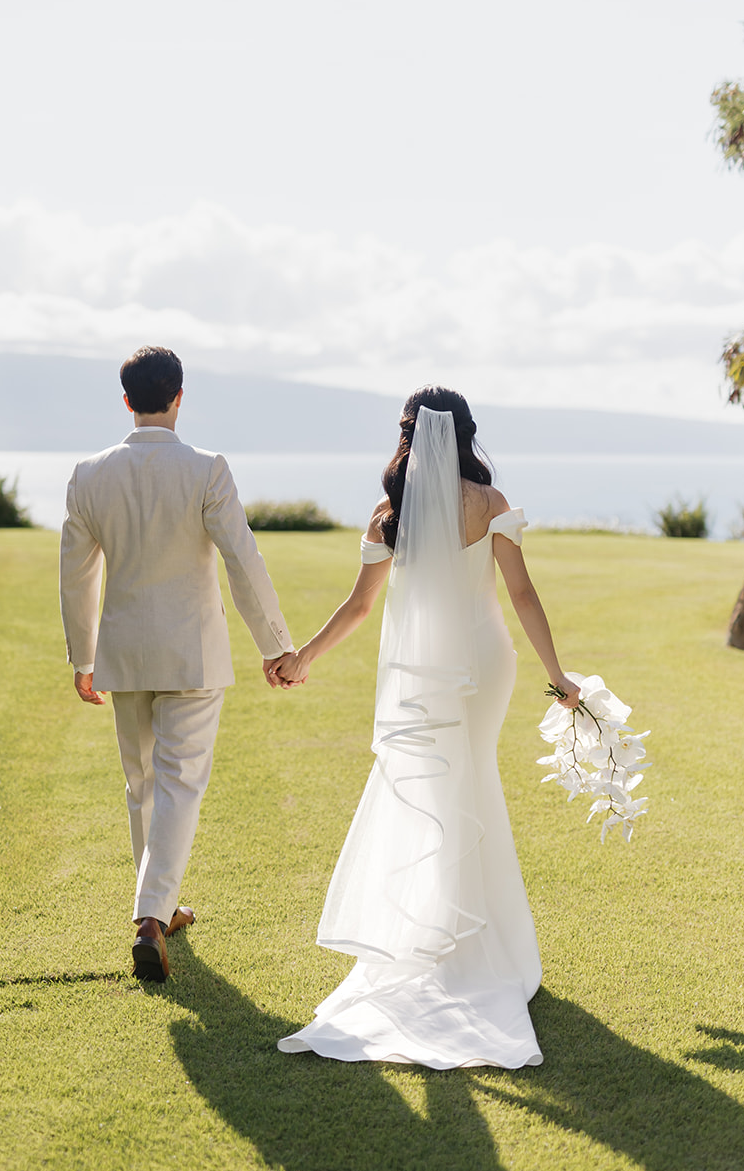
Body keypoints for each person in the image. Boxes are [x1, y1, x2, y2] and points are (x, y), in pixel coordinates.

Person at [272, 386, 580, 1069]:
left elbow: (359, 607)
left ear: (407, 436)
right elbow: (521, 594)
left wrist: (304, 659)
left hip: (420, 671)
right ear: (467, 434)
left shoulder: (390, 512)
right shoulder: (489, 505)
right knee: (469, 789)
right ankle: (476, 947)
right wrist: (557, 672)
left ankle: (446, 936)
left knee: (444, 796)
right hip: (483, 661)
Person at [59, 345, 297, 982]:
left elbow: (76, 578)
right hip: (191, 652)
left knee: (142, 784)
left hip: (124, 651)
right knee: (178, 783)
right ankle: (151, 915)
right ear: (180, 396)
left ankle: (157, 906)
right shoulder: (207, 468)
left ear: (127, 399)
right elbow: (243, 561)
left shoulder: (88, 474)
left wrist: (82, 657)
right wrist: (276, 644)